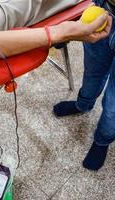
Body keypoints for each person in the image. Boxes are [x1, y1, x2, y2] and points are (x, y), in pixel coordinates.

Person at [54, 0, 115, 171]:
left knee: (113, 106)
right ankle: (83, 105)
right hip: (103, 12)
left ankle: (103, 139)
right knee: (92, 74)